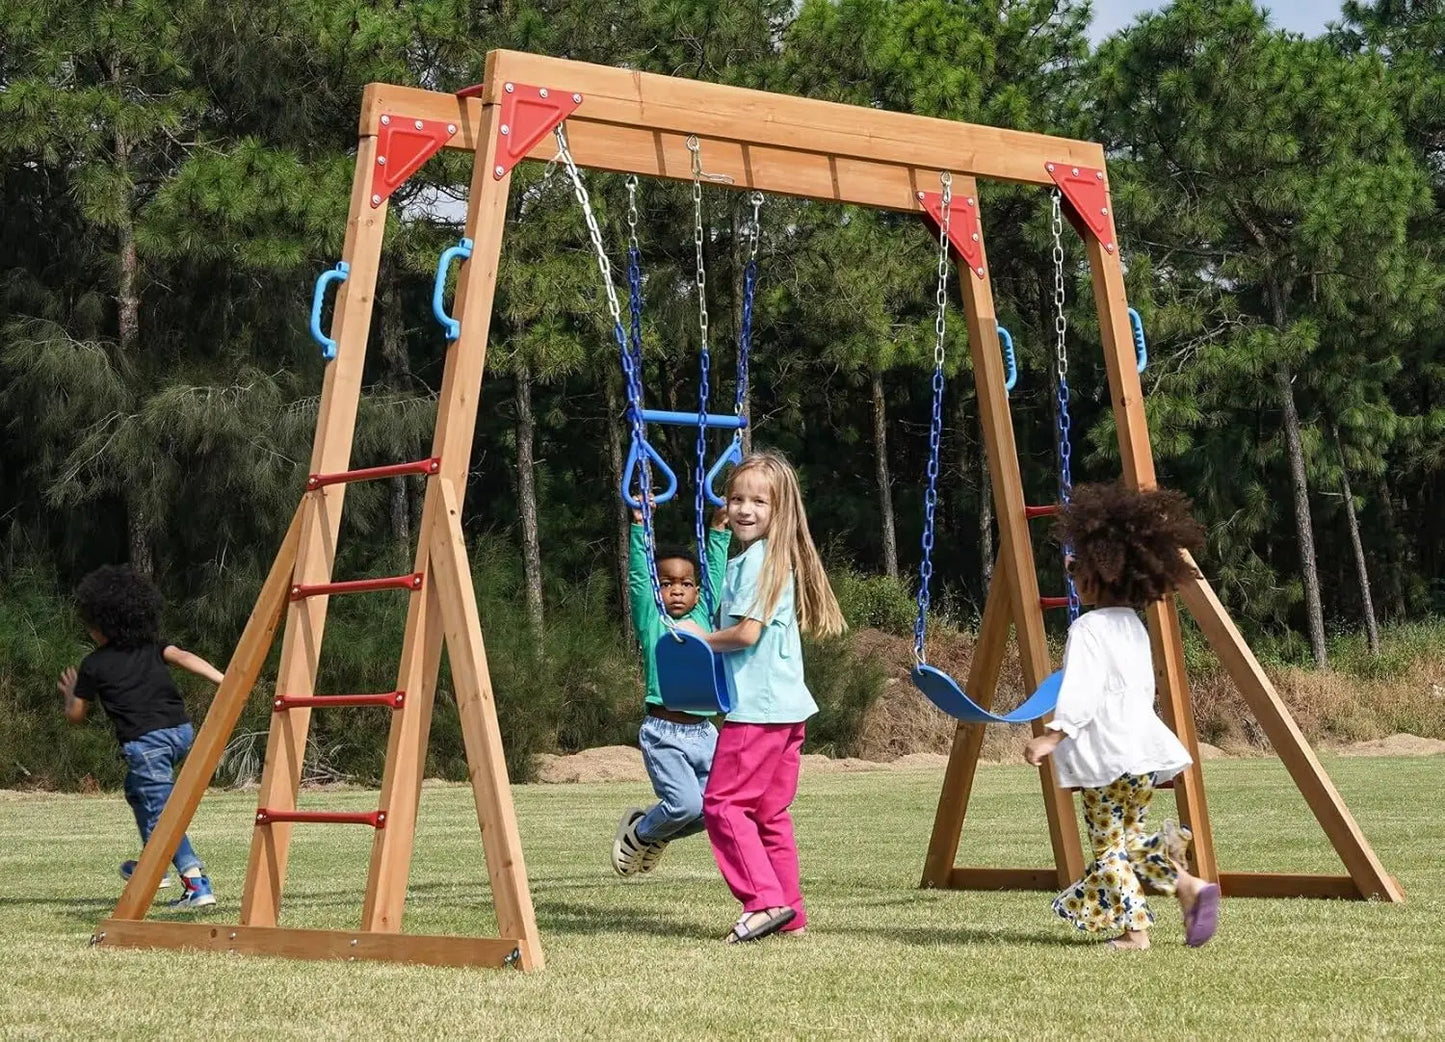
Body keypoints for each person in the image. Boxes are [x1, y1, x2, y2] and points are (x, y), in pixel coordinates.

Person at [1024, 481, 1221, 950]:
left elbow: (1082, 692)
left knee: (1108, 847)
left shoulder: (1088, 628)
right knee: (1131, 838)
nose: (1072, 576)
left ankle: (1136, 933)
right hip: (1141, 757)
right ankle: (1189, 887)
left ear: (1100, 576)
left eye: (1078, 568)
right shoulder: (1134, 625)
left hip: (1107, 759)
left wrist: (1052, 736)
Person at [701, 450, 845, 943]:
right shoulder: (772, 560)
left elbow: (745, 634)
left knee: (723, 806)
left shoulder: (759, 563)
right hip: (786, 710)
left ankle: (763, 902)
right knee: (767, 814)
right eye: (737, 499)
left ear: (779, 510)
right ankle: (791, 914)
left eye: (758, 502)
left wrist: (696, 642)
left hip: (756, 712)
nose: (745, 509)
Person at [57, 565, 222, 908]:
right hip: (180, 733)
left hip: (146, 744)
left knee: (161, 813)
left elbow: (76, 716)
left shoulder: (93, 665)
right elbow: (184, 656)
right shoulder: (150, 647)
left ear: (99, 624)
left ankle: (195, 884)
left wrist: (71, 694)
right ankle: (152, 864)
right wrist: (225, 679)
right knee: (137, 791)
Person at [612, 504, 732, 876]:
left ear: (697, 591)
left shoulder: (703, 615)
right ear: (656, 588)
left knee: (716, 810)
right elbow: (638, 576)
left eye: (685, 584)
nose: (676, 591)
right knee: (684, 806)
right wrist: (639, 525)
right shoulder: (652, 618)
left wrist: (719, 530)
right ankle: (641, 833)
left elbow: (714, 572)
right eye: (666, 583)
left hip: (705, 733)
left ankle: (655, 833)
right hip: (664, 732)